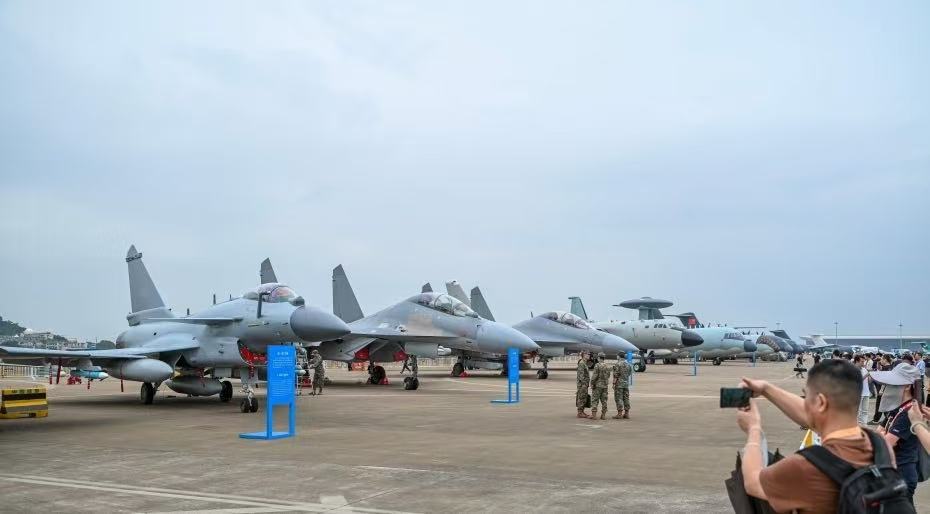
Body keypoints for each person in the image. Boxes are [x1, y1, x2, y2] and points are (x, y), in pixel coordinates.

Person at [736, 360, 903, 514]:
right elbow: (817, 417)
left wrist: (753, 429)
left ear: (821, 403)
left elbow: (753, 483)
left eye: (806, 396)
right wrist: (766, 389)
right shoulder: (880, 445)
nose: (804, 403)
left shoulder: (806, 466)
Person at [873, 363, 923, 504]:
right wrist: (881, 436)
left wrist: (882, 437)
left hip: (903, 473)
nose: (888, 387)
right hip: (894, 471)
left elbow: (885, 444)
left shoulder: (909, 412)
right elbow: (878, 433)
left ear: (907, 386)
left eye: (893, 384)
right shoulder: (897, 409)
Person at [588, 352, 610, 420]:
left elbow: (595, 375)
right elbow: (608, 375)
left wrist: (592, 383)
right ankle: (603, 415)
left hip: (597, 385)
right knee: (604, 400)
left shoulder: (597, 365)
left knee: (595, 400)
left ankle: (594, 415)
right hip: (605, 386)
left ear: (599, 358)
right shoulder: (607, 366)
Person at [611, 354, 632, 419]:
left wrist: (614, 383)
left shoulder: (618, 364)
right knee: (626, 398)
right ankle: (626, 413)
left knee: (618, 398)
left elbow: (616, 375)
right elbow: (629, 373)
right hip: (626, 384)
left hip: (619, 384)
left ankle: (619, 414)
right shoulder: (628, 364)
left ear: (619, 356)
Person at [854, 355, 871, 425]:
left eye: (864, 361)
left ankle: (864, 425)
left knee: (865, 411)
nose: (863, 363)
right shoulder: (853, 370)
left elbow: (869, 381)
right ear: (857, 361)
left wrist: (870, 377)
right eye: (862, 361)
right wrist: (867, 375)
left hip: (866, 392)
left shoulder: (864, 369)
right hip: (857, 393)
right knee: (857, 411)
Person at [575, 351, 591, 418]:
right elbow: (581, 376)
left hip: (585, 384)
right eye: (588, 354)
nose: (589, 355)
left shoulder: (584, 363)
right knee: (581, 398)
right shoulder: (582, 363)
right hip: (582, 385)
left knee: (584, 398)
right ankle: (580, 413)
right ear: (584, 355)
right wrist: (584, 384)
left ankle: (582, 412)